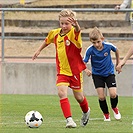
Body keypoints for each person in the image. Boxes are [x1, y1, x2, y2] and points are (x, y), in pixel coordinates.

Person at [32, 9, 90, 128]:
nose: (64, 26)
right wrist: (38, 50)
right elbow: (47, 40)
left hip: (75, 72)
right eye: (62, 23)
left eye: (67, 24)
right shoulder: (55, 33)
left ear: (72, 23)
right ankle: (69, 120)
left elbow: (78, 31)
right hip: (62, 71)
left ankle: (86, 111)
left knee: (79, 97)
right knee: (61, 92)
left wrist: (77, 25)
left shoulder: (74, 34)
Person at [83, 27, 121, 121]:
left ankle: (114, 108)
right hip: (97, 75)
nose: (96, 44)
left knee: (113, 94)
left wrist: (118, 63)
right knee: (101, 96)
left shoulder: (108, 46)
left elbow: (116, 50)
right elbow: (83, 62)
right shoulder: (90, 50)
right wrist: (86, 70)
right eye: (94, 42)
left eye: (98, 42)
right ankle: (106, 114)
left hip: (109, 73)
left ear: (102, 39)